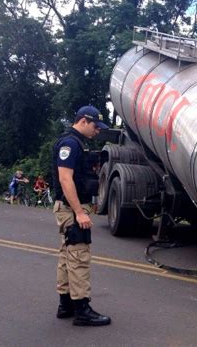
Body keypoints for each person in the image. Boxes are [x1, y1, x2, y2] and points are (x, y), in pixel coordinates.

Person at [52, 105, 110, 326]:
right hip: (71, 208)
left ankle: (65, 305)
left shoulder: (75, 143)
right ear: (83, 121)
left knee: (67, 256)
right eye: (95, 126)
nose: (97, 131)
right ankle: (82, 310)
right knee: (79, 258)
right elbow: (65, 179)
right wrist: (79, 212)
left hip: (67, 207)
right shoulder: (70, 144)